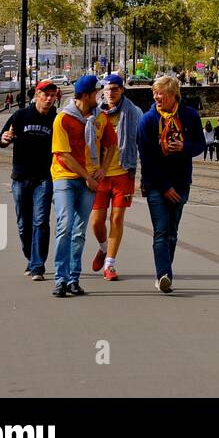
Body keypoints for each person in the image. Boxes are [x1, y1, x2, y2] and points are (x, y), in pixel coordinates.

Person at [137, 74, 205, 294]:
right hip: (157, 184)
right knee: (161, 231)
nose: (158, 97)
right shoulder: (147, 120)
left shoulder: (190, 116)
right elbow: (147, 159)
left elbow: (200, 145)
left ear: (174, 94)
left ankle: (165, 270)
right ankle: (163, 275)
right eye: (155, 93)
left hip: (181, 182)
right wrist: (165, 187)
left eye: (162, 93)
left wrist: (184, 147)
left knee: (172, 233)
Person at [0, 79, 58, 280]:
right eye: (45, 95)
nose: (49, 99)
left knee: (41, 221)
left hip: (44, 178)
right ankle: (31, 257)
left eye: (52, 96)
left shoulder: (56, 120)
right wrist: (5, 139)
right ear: (37, 96)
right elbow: (2, 139)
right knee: (24, 224)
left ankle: (38, 266)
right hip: (21, 177)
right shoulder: (21, 116)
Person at [49, 75, 103, 298]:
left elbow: (110, 144)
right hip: (65, 177)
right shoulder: (62, 119)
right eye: (96, 94)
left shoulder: (97, 118)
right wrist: (88, 177)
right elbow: (63, 155)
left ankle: (73, 278)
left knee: (79, 231)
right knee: (65, 225)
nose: (98, 97)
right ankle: (60, 279)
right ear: (87, 95)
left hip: (88, 179)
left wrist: (101, 170)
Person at [88, 74, 143, 282]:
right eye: (107, 89)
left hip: (123, 172)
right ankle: (103, 248)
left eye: (115, 89)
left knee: (117, 218)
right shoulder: (96, 112)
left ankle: (110, 264)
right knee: (96, 222)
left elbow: (141, 143)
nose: (110, 93)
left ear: (122, 90)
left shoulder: (134, 112)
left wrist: (142, 173)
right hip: (100, 174)